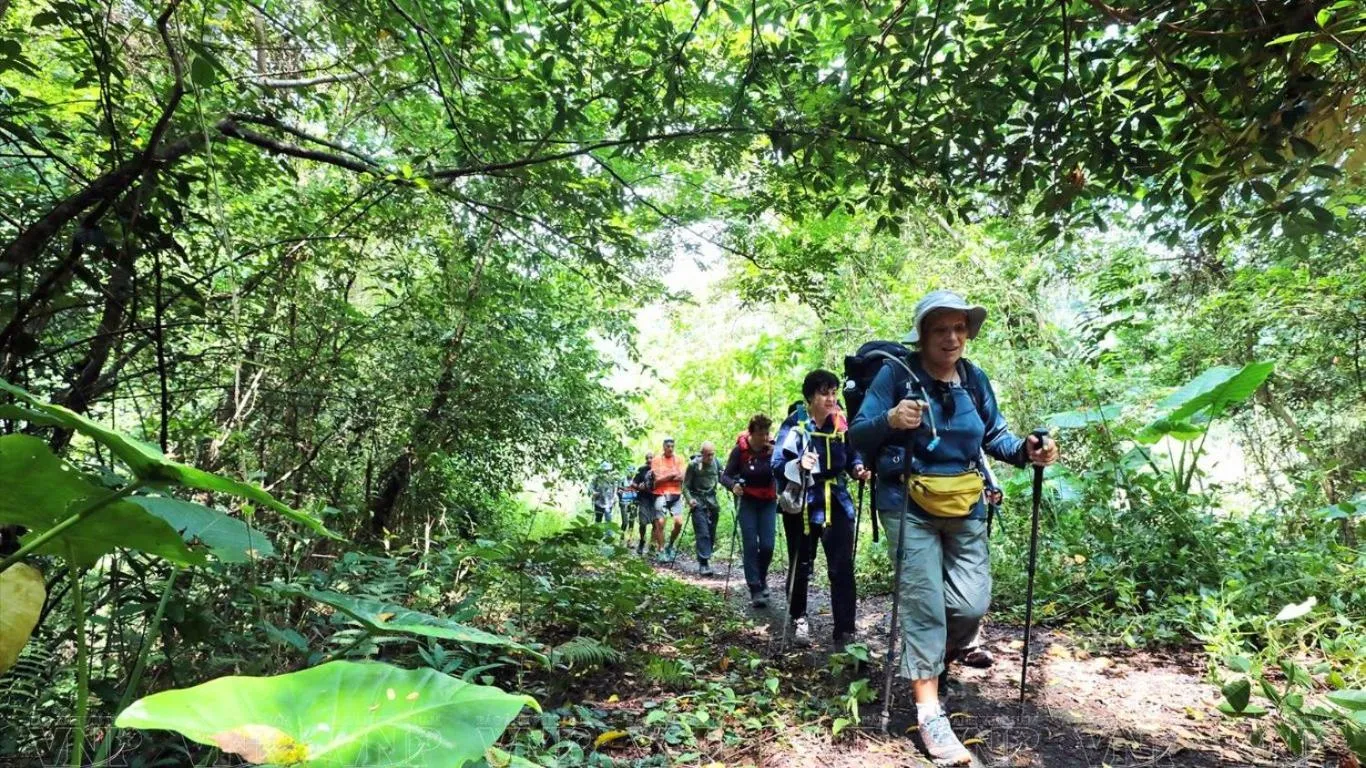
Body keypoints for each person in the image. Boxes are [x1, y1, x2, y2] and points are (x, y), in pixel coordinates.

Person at [849, 290, 1059, 766]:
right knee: (924, 606)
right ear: (922, 336)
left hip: (965, 501)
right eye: (940, 329)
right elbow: (858, 433)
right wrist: (889, 418)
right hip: (907, 502)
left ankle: (934, 662)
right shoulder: (895, 376)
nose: (951, 337)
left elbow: (994, 436)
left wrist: (1028, 451)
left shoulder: (974, 379)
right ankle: (929, 712)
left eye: (959, 328)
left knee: (970, 605)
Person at [772, 370, 871, 648]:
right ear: (810, 397)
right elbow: (777, 464)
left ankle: (845, 631)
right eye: (824, 393)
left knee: (841, 566)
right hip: (804, 501)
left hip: (836, 501)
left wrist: (858, 468)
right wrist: (799, 465)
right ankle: (799, 618)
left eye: (833, 392)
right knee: (801, 564)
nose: (831, 398)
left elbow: (853, 454)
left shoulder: (841, 423)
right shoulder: (795, 425)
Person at [721, 414, 778, 607]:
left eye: (767, 433)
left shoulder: (773, 448)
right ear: (751, 433)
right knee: (751, 544)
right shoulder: (740, 452)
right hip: (747, 502)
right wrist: (733, 486)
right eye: (761, 434)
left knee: (768, 545)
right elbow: (725, 476)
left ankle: (762, 578)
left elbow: (786, 468)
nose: (765, 438)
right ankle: (755, 588)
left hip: (769, 501)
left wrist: (776, 453)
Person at [683, 441, 723, 576]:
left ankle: (705, 556)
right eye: (708, 455)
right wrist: (690, 500)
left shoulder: (717, 463)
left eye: (712, 454)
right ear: (702, 454)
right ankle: (704, 563)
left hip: (712, 502)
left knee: (711, 533)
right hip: (698, 501)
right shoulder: (693, 465)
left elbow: (723, 478)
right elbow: (685, 486)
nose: (710, 457)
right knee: (702, 532)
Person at [651, 437, 687, 561]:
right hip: (660, 493)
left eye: (672, 446)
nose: (670, 449)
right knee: (660, 523)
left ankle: (670, 545)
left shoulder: (680, 459)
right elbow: (657, 479)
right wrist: (672, 475)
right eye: (668, 446)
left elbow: (682, 477)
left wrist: (666, 476)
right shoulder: (656, 460)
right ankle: (661, 549)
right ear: (663, 447)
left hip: (676, 494)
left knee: (679, 522)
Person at [629, 452, 655, 555]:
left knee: (656, 523)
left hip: (655, 499)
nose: (649, 460)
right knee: (643, 523)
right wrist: (639, 486)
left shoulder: (659, 469)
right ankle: (642, 541)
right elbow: (633, 483)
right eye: (647, 458)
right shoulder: (642, 469)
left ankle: (652, 545)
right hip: (644, 499)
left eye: (651, 458)